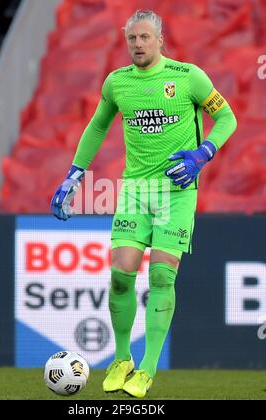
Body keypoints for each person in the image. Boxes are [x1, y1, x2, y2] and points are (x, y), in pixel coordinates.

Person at [51, 10, 237, 398]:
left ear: (160, 39)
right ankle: (122, 359)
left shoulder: (189, 77)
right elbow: (98, 126)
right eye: (131, 38)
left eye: (144, 38)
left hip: (177, 191)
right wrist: (74, 174)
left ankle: (148, 369)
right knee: (121, 276)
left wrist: (203, 153)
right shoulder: (117, 82)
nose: (137, 44)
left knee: (162, 277)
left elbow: (227, 118)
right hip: (135, 191)